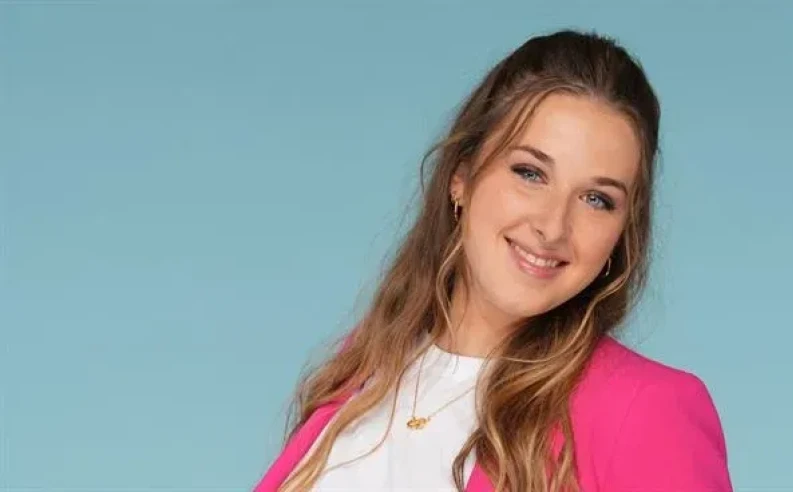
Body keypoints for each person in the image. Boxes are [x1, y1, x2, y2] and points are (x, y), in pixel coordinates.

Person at [255, 29, 733, 492]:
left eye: (596, 199)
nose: (553, 227)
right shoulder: (365, 367)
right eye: (530, 173)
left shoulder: (646, 409)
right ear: (461, 176)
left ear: (622, 232)